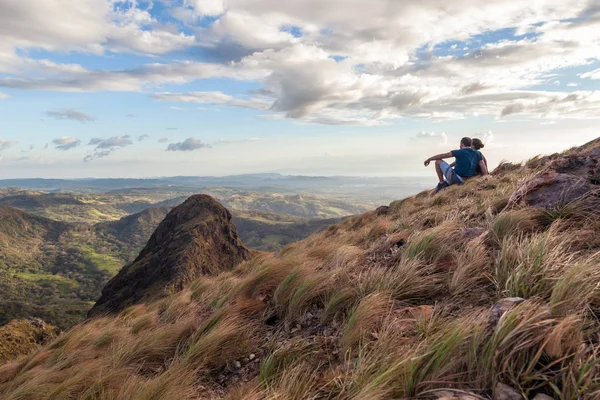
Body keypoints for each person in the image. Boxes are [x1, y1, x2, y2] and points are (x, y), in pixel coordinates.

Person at [424, 137, 488, 193]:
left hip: (456, 178)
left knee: (437, 161)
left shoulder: (459, 152)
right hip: (467, 180)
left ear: (461, 144)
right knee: (437, 189)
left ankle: (441, 182)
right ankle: (438, 188)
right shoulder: (478, 153)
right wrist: (486, 179)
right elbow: (483, 168)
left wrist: (429, 159)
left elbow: (443, 155)